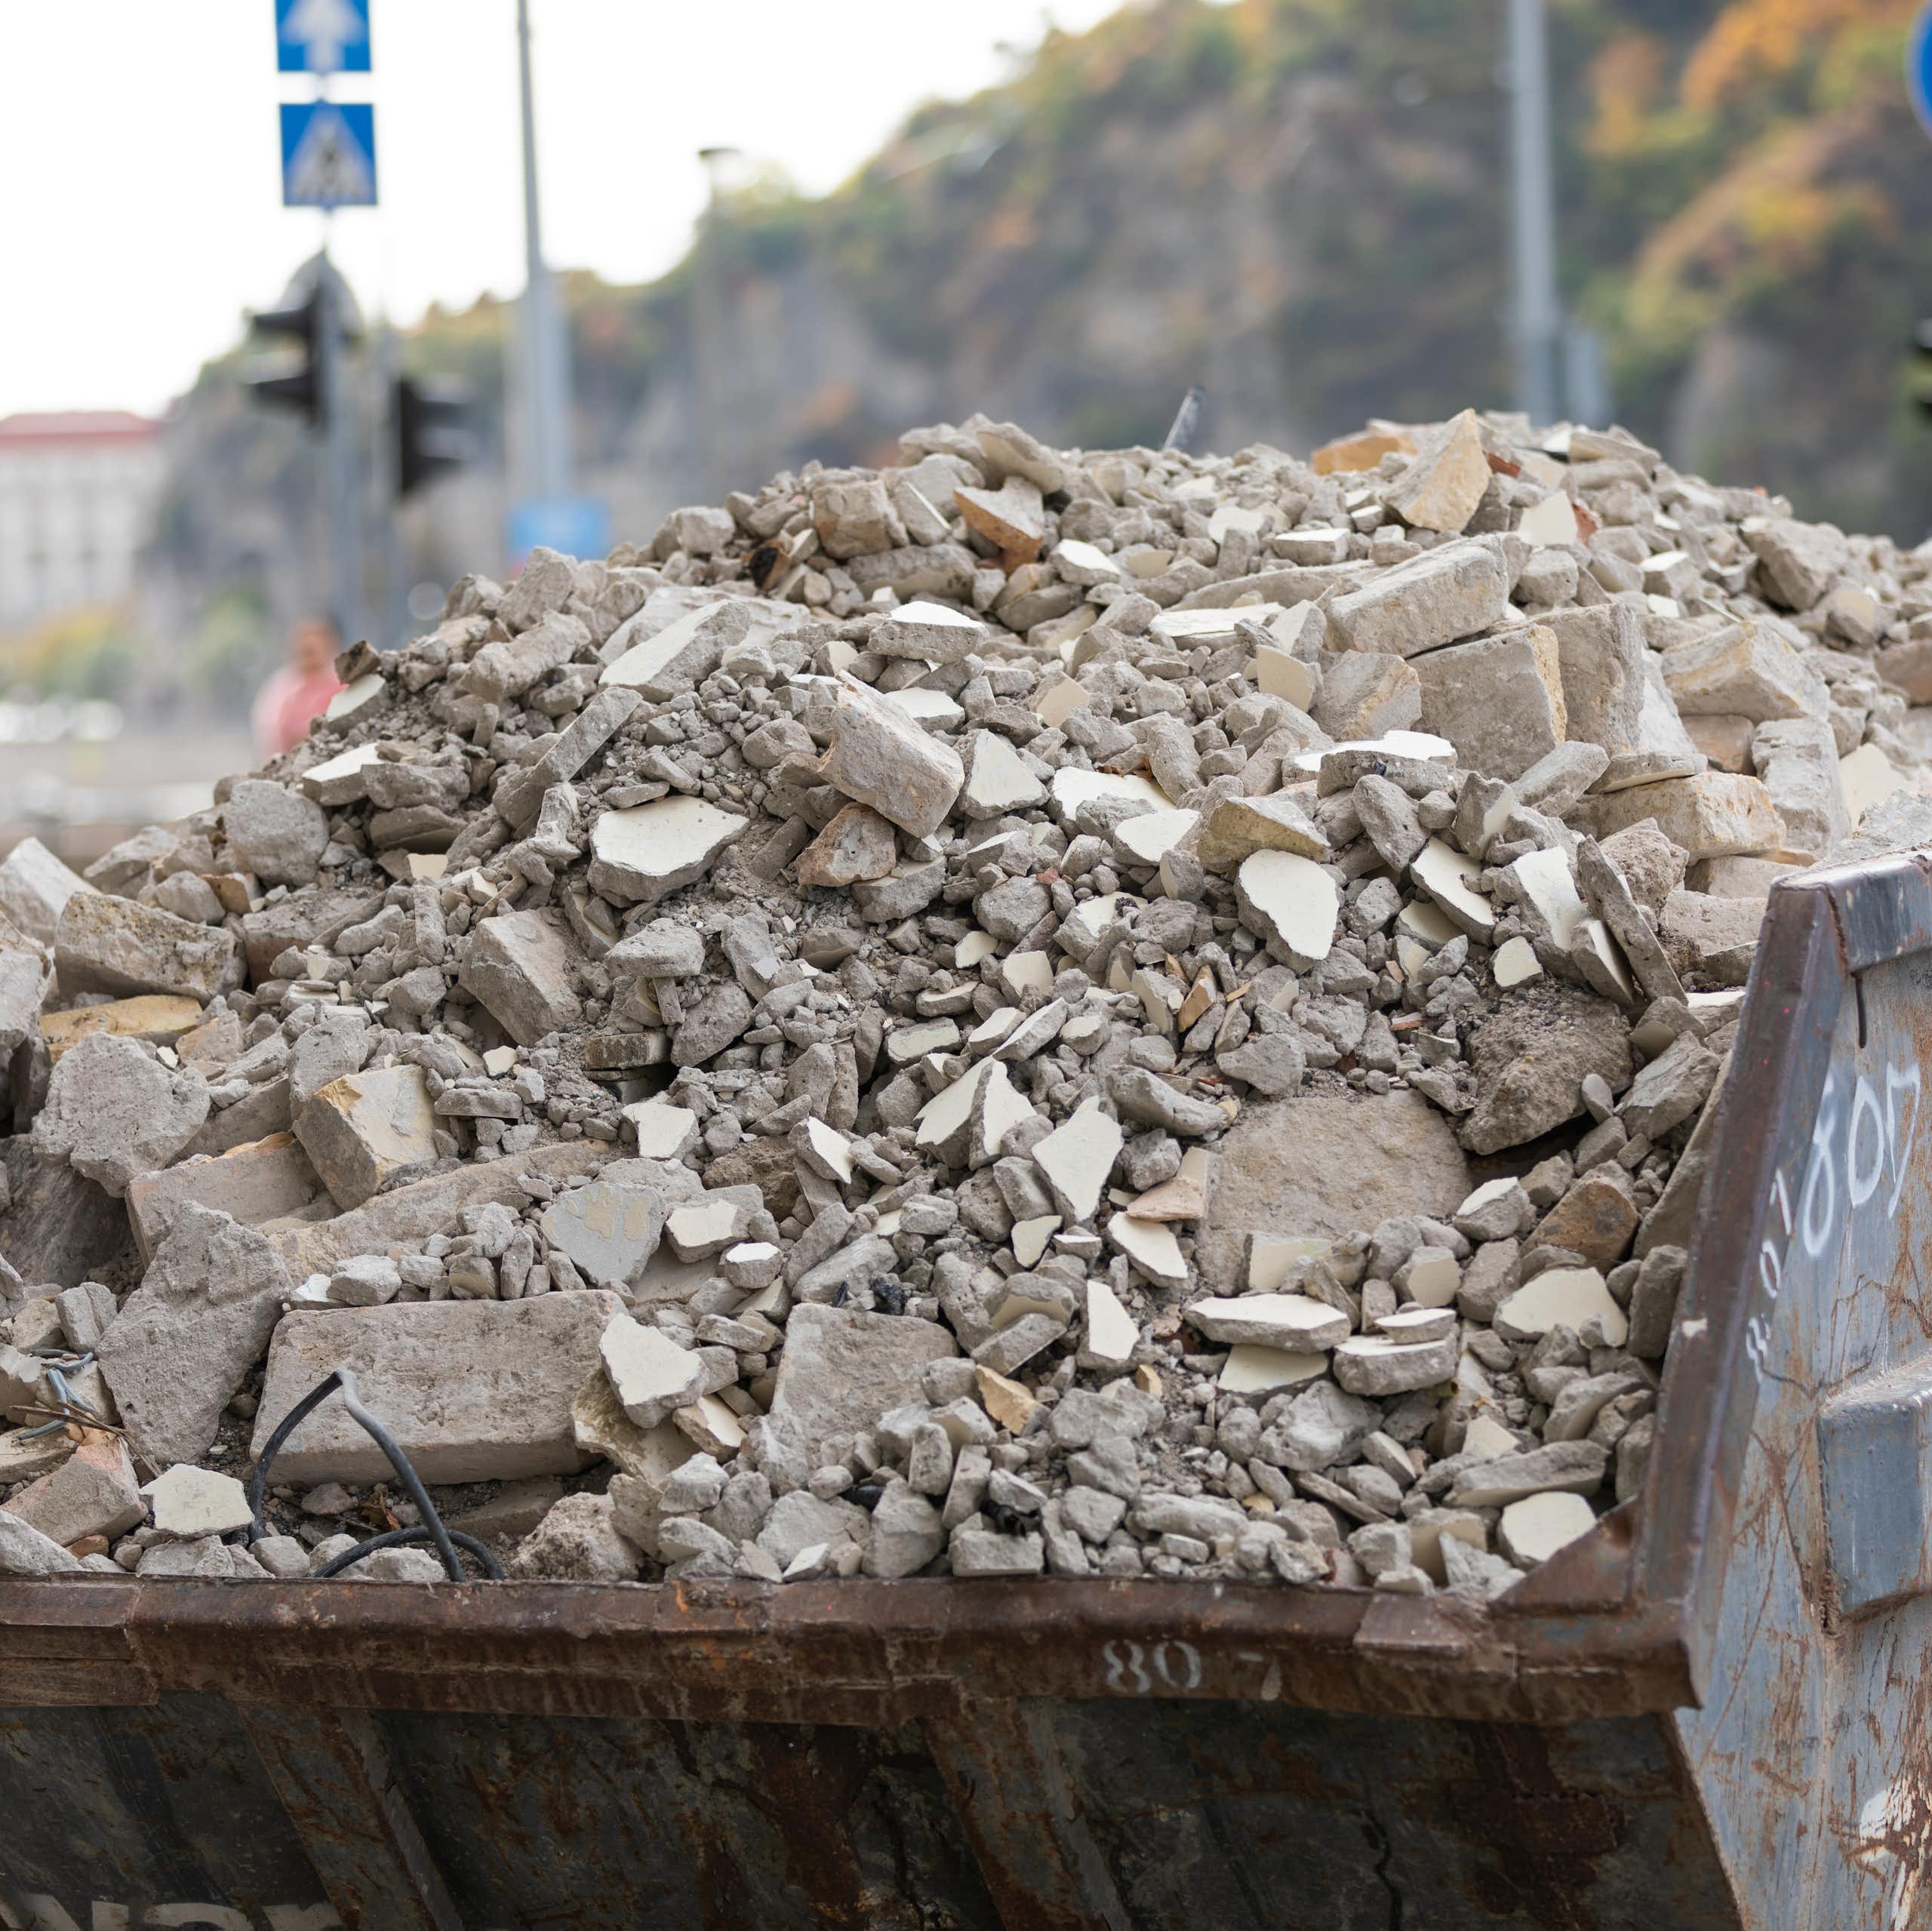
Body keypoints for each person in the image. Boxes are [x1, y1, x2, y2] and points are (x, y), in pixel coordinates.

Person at [252, 616, 345, 759]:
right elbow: (270, 733)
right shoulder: (281, 689)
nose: (310, 650)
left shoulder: (343, 682)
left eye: (316, 646)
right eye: (305, 646)